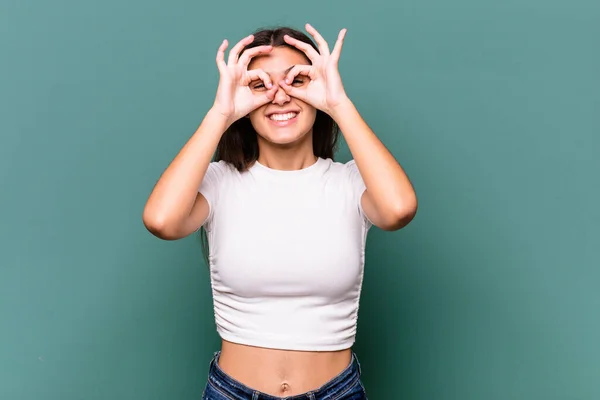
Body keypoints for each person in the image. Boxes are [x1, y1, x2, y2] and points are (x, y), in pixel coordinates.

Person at [143, 23, 418, 400]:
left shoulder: (352, 182)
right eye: (260, 85)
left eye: (296, 81)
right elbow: (161, 221)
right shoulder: (219, 182)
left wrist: (338, 103)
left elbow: (399, 210)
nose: (279, 96)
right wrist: (221, 112)